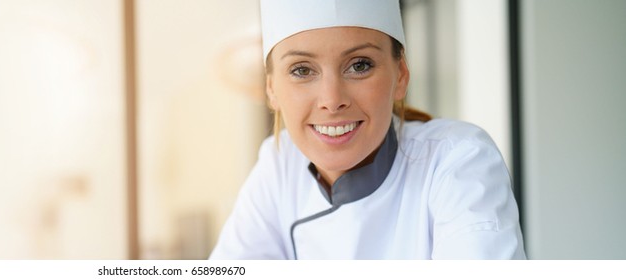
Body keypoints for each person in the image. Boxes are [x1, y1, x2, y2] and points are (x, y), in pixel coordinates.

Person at [210, 0, 526, 259]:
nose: (332, 101)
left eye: (359, 65)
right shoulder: (279, 165)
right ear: (272, 89)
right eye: (302, 70)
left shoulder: (458, 161)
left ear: (400, 74)